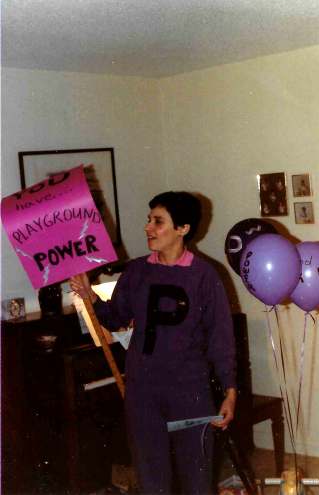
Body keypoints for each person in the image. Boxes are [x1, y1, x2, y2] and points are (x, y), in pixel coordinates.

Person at [70, 191, 237, 495]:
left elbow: (222, 338)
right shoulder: (136, 271)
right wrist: (90, 295)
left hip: (190, 393)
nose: (148, 227)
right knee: (151, 480)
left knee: (197, 478)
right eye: (149, 220)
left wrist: (230, 392)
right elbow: (116, 318)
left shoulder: (205, 276)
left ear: (183, 228)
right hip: (143, 393)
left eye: (158, 221)